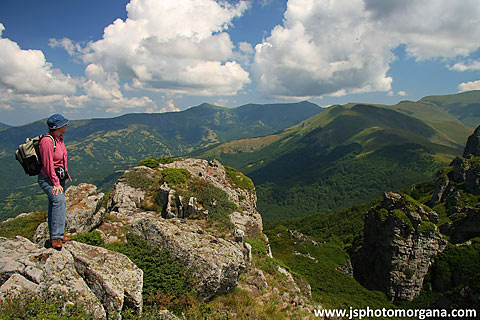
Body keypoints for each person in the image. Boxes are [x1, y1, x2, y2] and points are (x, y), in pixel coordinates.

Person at [37, 114, 72, 250]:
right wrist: (55, 182)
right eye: (64, 124)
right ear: (57, 126)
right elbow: (48, 164)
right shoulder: (47, 141)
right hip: (48, 179)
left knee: (55, 204)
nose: (66, 125)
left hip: (58, 178)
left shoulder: (59, 139)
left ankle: (58, 234)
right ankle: (56, 238)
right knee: (59, 202)